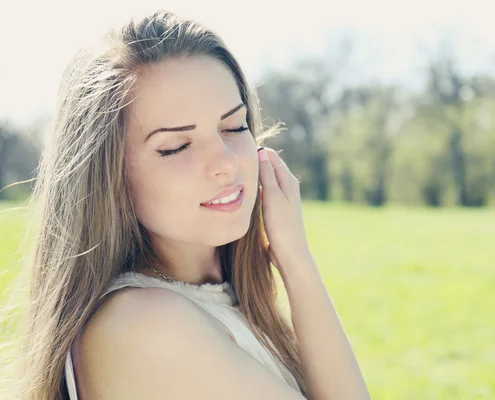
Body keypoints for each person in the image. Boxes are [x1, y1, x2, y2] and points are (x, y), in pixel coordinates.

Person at [0, 9, 370, 400]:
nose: (227, 162)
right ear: (108, 176)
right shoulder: (145, 324)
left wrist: (295, 259)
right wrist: (298, 267)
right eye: (176, 147)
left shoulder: (220, 298)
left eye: (234, 126)